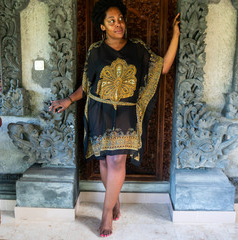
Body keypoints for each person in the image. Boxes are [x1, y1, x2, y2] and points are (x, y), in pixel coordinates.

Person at [49, 0, 180, 237]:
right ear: (102, 26)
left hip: (126, 113)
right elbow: (87, 86)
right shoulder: (95, 51)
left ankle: (106, 213)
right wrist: (68, 100)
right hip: (99, 111)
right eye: (111, 21)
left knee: (117, 161)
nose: (118, 24)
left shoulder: (138, 48)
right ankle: (114, 200)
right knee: (104, 162)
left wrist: (175, 34)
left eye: (120, 19)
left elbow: (163, 68)